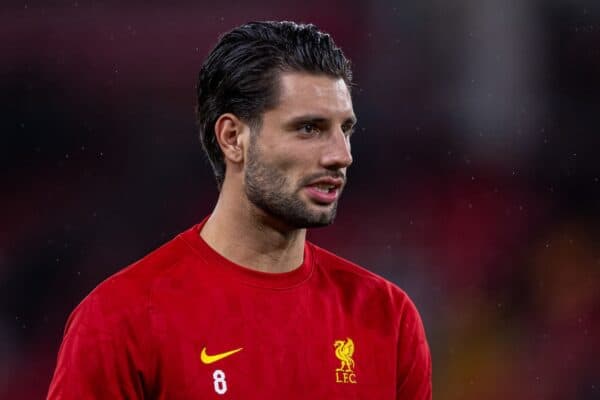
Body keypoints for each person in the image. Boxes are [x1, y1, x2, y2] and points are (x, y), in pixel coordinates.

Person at [47, 21, 432, 399]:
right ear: (233, 138)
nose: (340, 155)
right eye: (309, 129)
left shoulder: (387, 317)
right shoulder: (120, 320)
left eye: (344, 129)